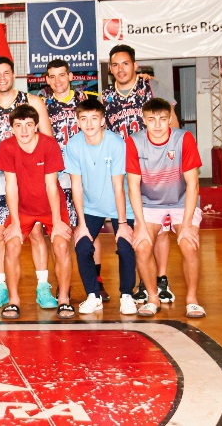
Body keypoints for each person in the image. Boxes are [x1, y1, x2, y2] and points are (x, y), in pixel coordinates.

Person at [103, 44, 179, 305]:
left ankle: (162, 279)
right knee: (137, 228)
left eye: (125, 63)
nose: (120, 69)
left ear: (135, 65)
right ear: (110, 69)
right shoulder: (105, 97)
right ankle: (143, 283)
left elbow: (174, 125)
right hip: (125, 172)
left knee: (161, 227)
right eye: (115, 65)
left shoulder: (152, 87)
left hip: (156, 168)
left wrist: (172, 162)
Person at [0, 56, 53, 310]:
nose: (2, 78)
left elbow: (48, 140)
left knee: (37, 233)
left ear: (14, 74)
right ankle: (1, 287)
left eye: (6, 73)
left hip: (30, 177)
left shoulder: (32, 102)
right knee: (0, 235)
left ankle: (43, 287)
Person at [126, 98, 205, 319]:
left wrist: (187, 225)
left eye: (162, 119)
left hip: (181, 201)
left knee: (188, 244)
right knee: (142, 246)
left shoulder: (184, 139)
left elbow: (193, 184)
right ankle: (153, 298)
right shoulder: (134, 142)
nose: (158, 125)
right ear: (144, 120)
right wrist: (141, 226)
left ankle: (192, 300)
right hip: (149, 203)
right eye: (152, 120)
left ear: (170, 119)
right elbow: (133, 186)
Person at [0, 104, 74, 320]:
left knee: (61, 245)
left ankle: (64, 299)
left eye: (29, 125)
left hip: (51, 207)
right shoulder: (7, 147)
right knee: (11, 244)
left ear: (36, 126)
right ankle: (13, 301)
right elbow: (11, 186)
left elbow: (51, 185)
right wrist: (15, 223)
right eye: (18, 126)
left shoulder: (49, 144)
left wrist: (57, 222)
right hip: (23, 208)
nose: (24, 130)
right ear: (12, 128)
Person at [43, 59, 110, 302]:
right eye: (52, 76)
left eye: (62, 75)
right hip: (58, 176)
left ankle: (97, 281)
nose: (58, 81)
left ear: (70, 76)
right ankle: (63, 285)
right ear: (47, 80)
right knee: (58, 233)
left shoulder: (86, 100)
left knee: (90, 231)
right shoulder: (43, 106)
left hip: (87, 174)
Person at [64, 98, 137, 316]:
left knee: (125, 245)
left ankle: (127, 295)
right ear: (78, 122)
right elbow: (76, 186)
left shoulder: (116, 143)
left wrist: (122, 224)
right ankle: (93, 296)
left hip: (120, 207)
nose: (89, 124)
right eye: (84, 119)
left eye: (94, 118)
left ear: (103, 120)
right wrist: (81, 224)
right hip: (91, 207)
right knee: (82, 245)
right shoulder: (73, 145)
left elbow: (118, 186)